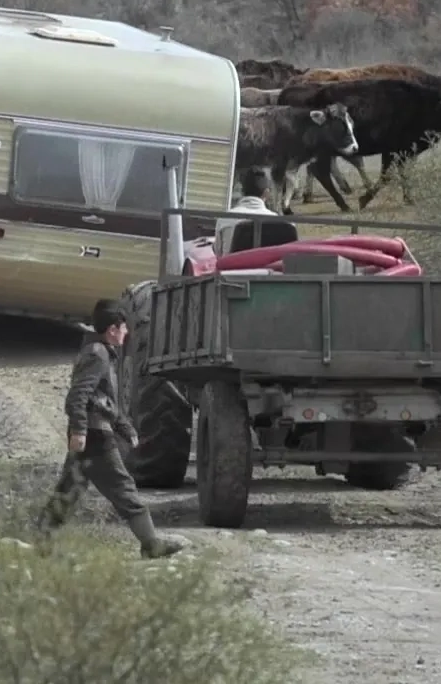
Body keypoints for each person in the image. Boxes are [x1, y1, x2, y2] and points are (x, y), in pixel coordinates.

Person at [39, 299, 190, 559]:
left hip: (95, 432)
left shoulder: (99, 352)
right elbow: (78, 396)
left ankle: (41, 542)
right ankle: (151, 543)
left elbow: (103, 399)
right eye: (123, 327)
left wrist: (125, 427)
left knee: (69, 489)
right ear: (112, 329)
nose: (126, 333)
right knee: (124, 488)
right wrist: (79, 431)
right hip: (96, 437)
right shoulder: (97, 354)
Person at [216, 167, 298, 256]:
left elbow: (218, 255)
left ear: (242, 192)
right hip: (268, 269)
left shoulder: (225, 218)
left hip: (231, 269)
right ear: (266, 193)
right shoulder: (284, 224)